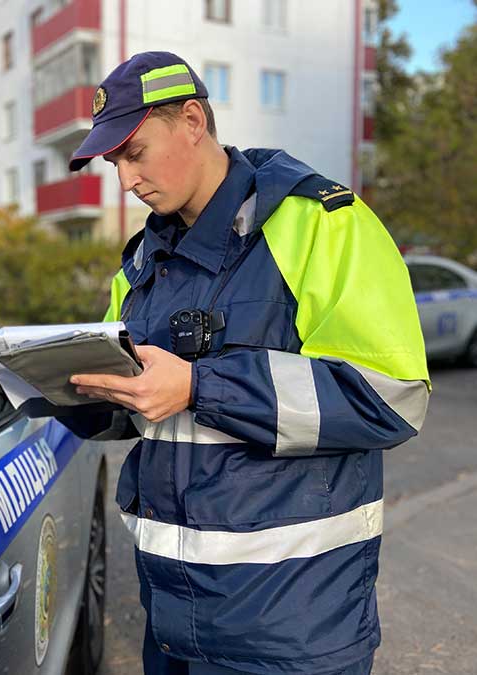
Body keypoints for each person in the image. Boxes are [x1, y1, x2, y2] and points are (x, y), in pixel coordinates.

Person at [67, 52, 429, 675]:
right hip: (172, 624)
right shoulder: (142, 263)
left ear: (191, 120)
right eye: (113, 164)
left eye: (134, 153)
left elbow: (390, 398)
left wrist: (200, 386)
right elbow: (143, 411)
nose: (124, 181)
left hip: (292, 630)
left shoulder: (322, 225)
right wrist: (75, 390)